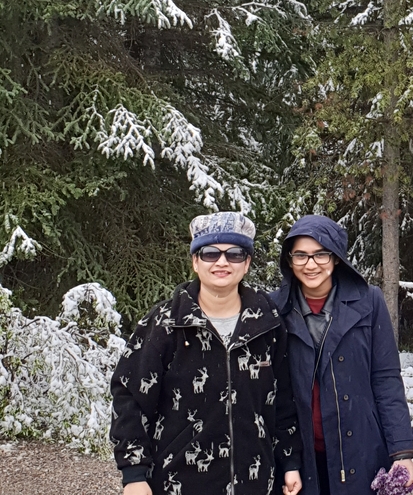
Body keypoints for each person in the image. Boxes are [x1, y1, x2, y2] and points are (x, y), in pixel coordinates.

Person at [111, 212, 303, 495]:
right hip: (178, 484)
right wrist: (134, 474)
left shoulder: (267, 322)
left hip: (257, 484)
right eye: (210, 253)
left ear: (247, 262)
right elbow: (129, 398)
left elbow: (283, 400)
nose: (222, 262)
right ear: (195, 262)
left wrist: (289, 462)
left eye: (235, 254)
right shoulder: (165, 323)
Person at [270, 215, 413, 495]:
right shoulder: (274, 308)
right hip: (298, 455)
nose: (310, 264)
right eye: (300, 255)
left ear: (337, 258)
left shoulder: (369, 301)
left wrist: (402, 451)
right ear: (289, 260)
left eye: (321, 254)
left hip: (360, 449)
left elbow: (386, 378)